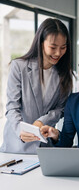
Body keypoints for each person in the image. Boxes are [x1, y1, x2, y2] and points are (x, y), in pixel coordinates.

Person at [0, 18, 72, 154]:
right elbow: (12, 107)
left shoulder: (65, 74)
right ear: (41, 43)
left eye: (63, 48)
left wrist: (42, 121)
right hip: (16, 146)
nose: (58, 53)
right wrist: (20, 130)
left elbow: (61, 109)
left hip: (45, 146)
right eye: (53, 47)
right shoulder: (19, 66)